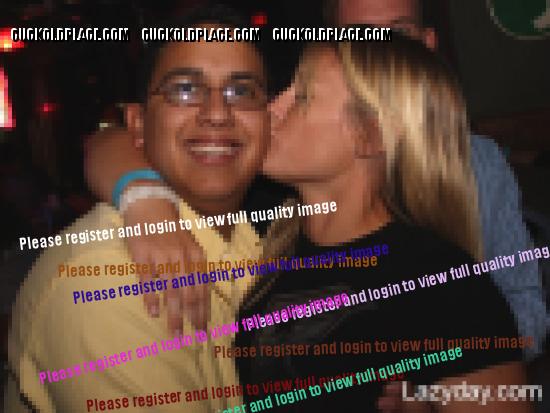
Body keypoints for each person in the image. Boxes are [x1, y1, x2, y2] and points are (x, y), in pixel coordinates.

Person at [84, 0, 548, 361]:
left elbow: (508, 311)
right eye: (353, 39)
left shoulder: (443, 268)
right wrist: (143, 197)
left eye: (395, 37)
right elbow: (117, 139)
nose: (274, 109)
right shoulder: (273, 199)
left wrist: (442, 378)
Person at [236, 35, 533, 413]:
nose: (273, 107)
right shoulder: (266, 240)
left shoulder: (442, 285)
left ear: (370, 135)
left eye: (303, 96)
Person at [4, 7, 276, 412]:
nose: (218, 113)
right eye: (185, 89)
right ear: (137, 124)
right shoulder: (106, 282)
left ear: (270, 121)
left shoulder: (264, 237)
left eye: (242, 91)